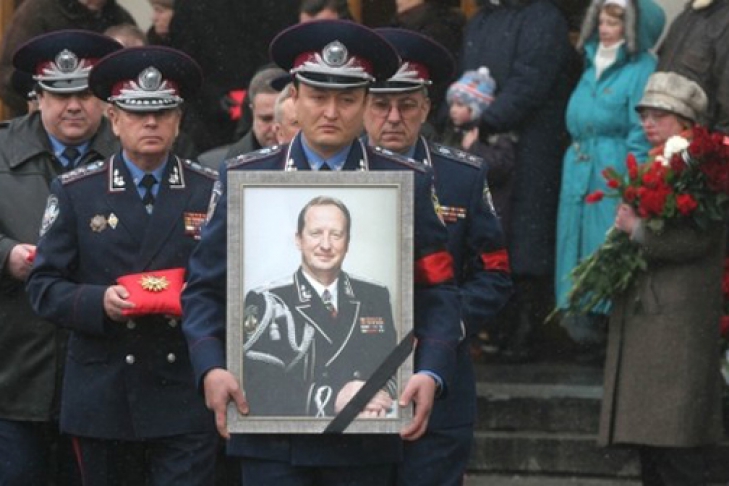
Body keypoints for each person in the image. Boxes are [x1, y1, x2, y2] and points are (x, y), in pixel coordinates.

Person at [182, 19, 462, 485]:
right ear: (294, 98)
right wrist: (210, 367)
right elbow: (204, 290)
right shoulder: (244, 179)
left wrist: (431, 370)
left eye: (347, 99)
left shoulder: (406, 184)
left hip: (365, 438)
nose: (331, 111)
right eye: (317, 96)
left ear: (366, 101)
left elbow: (438, 290)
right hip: (269, 435)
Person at [25, 45, 219, 485]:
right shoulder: (76, 191)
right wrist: (99, 302)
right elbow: (43, 285)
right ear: (113, 119)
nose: (151, 123)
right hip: (106, 392)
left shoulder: (208, 189)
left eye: (162, 113)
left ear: (178, 120)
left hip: (182, 387)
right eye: (137, 113)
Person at [362, 28, 513, 486]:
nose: (394, 117)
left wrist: (442, 326)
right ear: (362, 105)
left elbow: (495, 273)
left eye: (407, 105)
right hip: (354, 376)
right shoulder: (337, 173)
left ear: (427, 108)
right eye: (381, 104)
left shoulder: (461, 176)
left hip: (439, 374)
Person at [0, 30, 122, 486]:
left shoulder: (133, 151)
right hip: (13, 373)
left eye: (85, 95)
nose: (73, 106)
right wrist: (6, 256)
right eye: (59, 95)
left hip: (106, 374)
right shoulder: (3, 152)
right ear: (37, 98)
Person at [600, 71, 723, 486]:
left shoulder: (701, 167)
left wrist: (637, 230)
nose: (648, 124)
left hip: (677, 316)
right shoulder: (658, 162)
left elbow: (697, 239)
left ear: (685, 121)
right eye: (644, 116)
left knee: (675, 443)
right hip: (654, 314)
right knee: (655, 449)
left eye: (659, 115)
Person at [459, 0, 576, 361]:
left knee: (527, 241)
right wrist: (461, 108)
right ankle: (497, 328)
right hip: (488, 143)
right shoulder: (482, 19)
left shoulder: (544, 18)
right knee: (491, 234)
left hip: (532, 147)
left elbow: (531, 81)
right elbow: (467, 74)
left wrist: (484, 120)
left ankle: (527, 333)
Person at [554, 0, 664, 361]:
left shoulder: (641, 68)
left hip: (612, 167)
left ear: (632, 29)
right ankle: (579, 325)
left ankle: (603, 330)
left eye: (614, 22)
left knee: (604, 244)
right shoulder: (590, 63)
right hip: (578, 166)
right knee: (573, 245)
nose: (604, 29)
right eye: (601, 21)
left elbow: (641, 131)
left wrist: (634, 182)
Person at [243, 196, 398, 418]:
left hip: (368, 421)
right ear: (298, 240)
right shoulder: (266, 300)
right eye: (316, 233)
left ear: (347, 243)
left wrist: (372, 401)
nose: (326, 245)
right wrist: (334, 399)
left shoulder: (374, 295)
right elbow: (259, 388)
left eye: (336, 235)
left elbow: (393, 367)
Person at [0, 0, 136, 118]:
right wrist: (37, 106)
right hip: (42, 124)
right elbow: (8, 73)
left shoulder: (119, 17)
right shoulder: (38, 10)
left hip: (102, 126)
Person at [442, 66, 516, 232]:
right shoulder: (452, 133)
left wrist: (474, 148)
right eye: (452, 104)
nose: (453, 110)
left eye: (460, 104)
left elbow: (499, 168)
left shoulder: (493, 136)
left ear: (476, 109)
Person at [656, 0, 729, 135]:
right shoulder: (685, 17)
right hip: (667, 133)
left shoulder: (724, 22)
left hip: (700, 137)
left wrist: (717, 142)